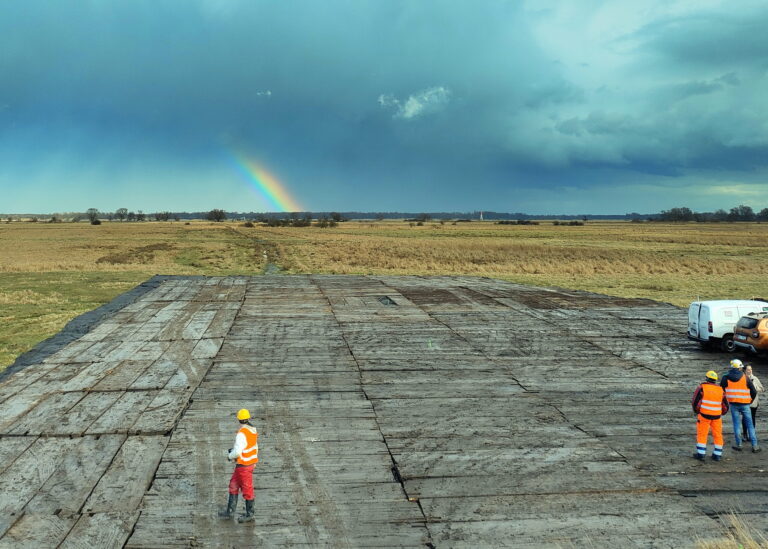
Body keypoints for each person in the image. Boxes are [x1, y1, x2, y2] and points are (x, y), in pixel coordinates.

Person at [218, 408, 259, 522]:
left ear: (239, 419)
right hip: (247, 464)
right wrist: (254, 461)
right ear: (248, 418)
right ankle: (230, 512)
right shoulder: (252, 430)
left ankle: (250, 514)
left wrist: (229, 456)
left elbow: (237, 452)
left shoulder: (241, 434)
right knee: (233, 485)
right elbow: (254, 447)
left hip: (244, 466)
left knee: (247, 489)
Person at [720, 359, 760, 453]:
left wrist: (725, 401)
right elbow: (753, 391)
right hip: (745, 404)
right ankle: (755, 446)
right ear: (739, 367)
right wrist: (750, 401)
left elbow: (721, 391)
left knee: (736, 425)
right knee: (750, 425)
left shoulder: (725, 377)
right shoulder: (745, 377)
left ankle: (739, 445)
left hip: (733, 404)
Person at [691, 370, 729, 461]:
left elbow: (695, 401)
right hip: (716, 416)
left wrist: (697, 411)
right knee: (718, 435)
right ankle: (717, 455)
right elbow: (725, 406)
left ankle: (701, 454)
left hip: (704, 415)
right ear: (715, 380)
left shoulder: (702, 387)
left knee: (702, 434)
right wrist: (721, 413)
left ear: (707, 378)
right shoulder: (720, 390)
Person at [741, 364, 764, 439]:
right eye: (748, 369)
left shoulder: (755, 378)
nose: (750, 371)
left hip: (753, 403)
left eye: (751, 369)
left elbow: (762, 389)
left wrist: (755, 388)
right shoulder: (742, 379)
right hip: (745, 402)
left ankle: (752, 435)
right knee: (744, 419)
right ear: (745, 370)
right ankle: (745, 434)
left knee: (752, 418)